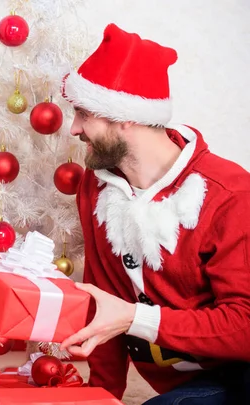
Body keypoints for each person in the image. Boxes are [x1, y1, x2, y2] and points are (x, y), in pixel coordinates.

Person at [59, 24, 250, 404]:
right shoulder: (95, 185)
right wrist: (101, 396)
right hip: (188, 383)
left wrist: (135, 319)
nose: (74, 128)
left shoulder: (231, 195)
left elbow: (245, 326)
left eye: (83, 113)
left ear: (126, 117)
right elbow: (105, 299)